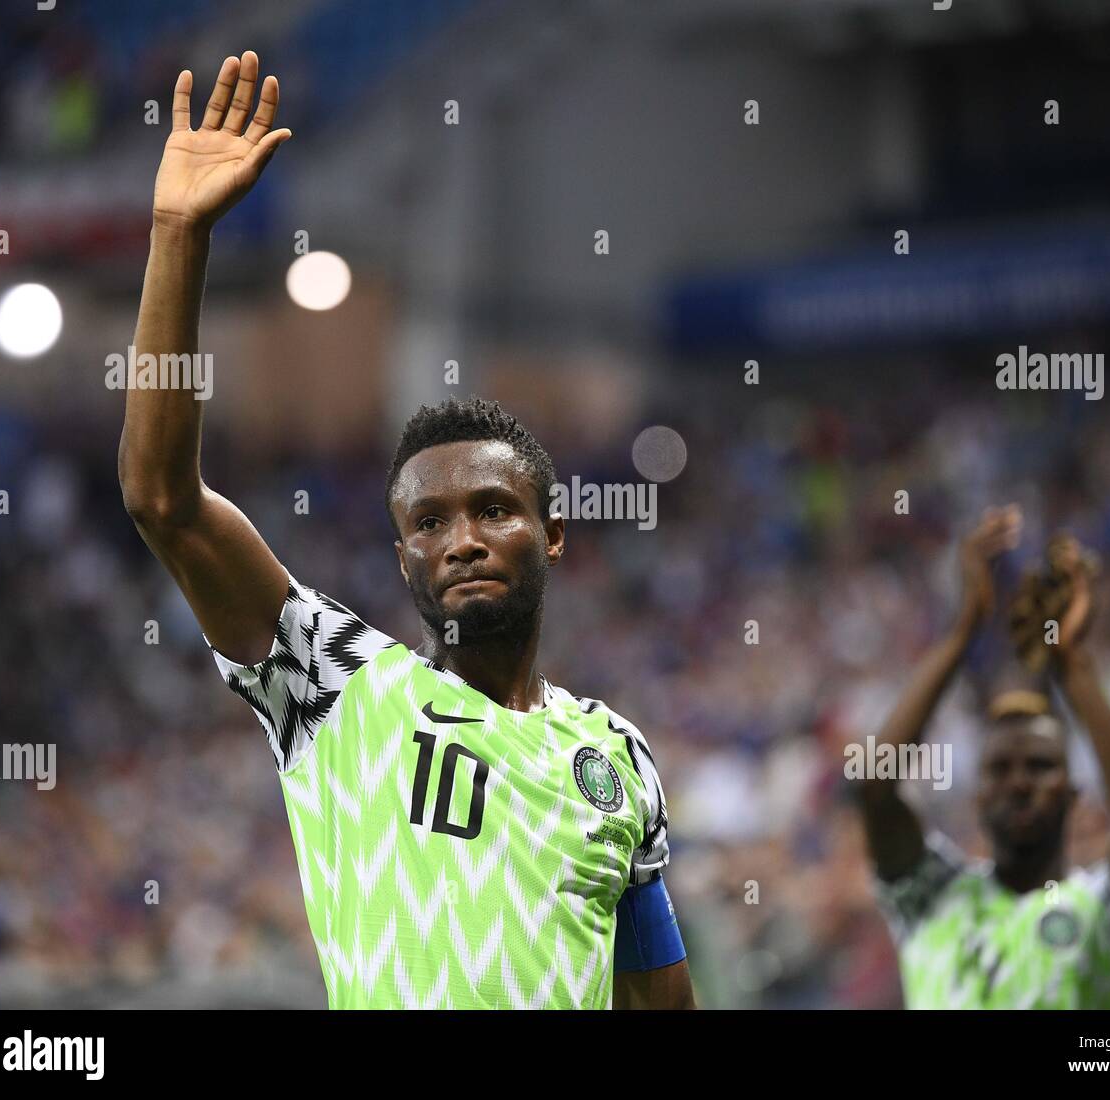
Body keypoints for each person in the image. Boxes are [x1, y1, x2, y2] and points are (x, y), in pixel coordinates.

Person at [118, 51, 693, 1010]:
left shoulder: (617, 758)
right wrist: (180, 236)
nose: (461, 538)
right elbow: (163, 500)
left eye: (493, 510)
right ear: (403, 558)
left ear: (552, 535)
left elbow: (662, 1002)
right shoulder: (337, 684)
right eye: (429, 522)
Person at [858, 506, 1110, 1008]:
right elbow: (876, 788)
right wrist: (963, 631)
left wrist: (1072, 666)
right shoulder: (932, 897)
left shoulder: (1105, 911)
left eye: (1041, 766)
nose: (1019, 782)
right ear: (977, 794)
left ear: (1072, 793)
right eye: (999, 769)